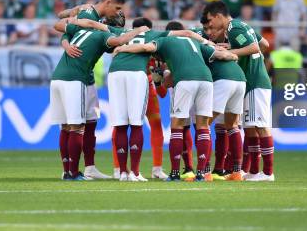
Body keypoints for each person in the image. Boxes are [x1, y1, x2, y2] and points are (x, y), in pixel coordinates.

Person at [73, 15, 208, 181]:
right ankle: (138, 172)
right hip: (139, 77)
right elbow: (186, 33)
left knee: (120, 124)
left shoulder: (122, 32)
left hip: (116, 74)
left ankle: (121, 171)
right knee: (139, 124)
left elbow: (93, 23)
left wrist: (72, 21)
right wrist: (207, 43)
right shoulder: (155, 37)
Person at [113, 22, 238, 182]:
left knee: (177, 126)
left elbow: (146, 48)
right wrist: (233, 55)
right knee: (203, 126)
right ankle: (201, 173)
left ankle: (174, 173)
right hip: (206, 81)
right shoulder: (194, 41)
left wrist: (122, 48)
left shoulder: (165, 40)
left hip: (185, 80)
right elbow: (223, 55)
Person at [56, 0, 130, 180]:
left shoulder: (95, 22)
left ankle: (88, 167)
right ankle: (71, 170)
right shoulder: (89, 12)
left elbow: (68, 29)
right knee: (74, 125)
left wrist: (69, 17)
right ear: (107, 3)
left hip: (86, 77)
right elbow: (65, 30)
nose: (118, 13)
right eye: (117, 8)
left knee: (90, 121)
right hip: (76, 77)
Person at [202, 1, 275, 182]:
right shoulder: (241, 26)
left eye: (211, 21)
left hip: (255, 81)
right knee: (250, 128)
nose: (210, 26)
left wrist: (232, 51)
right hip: (251, 81)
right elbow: (264, 43)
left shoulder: (234, 28)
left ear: (219, 16)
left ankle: (267, 173)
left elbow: (255, 48)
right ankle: (254, 171)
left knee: (260, 126)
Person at [191, 20, 247, 181]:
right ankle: (237, 172)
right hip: (240, 79)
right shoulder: (216, 43)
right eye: (207, 29)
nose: (209, 32)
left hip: (223, 80)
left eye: (210, 29)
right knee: (232, 125)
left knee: (203, 124)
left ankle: (204, 171)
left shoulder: (201, 46)